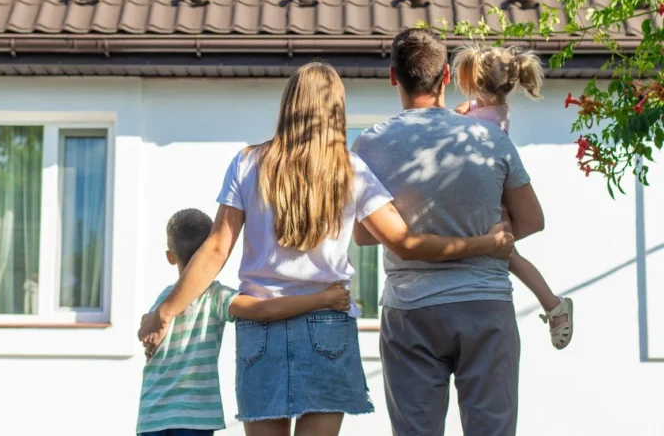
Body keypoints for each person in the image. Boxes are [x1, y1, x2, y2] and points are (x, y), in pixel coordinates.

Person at [139, 61, 514, 436]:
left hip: (261, 328)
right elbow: (405, 243)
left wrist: (166, 311)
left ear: (289, 104)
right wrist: (485, 243)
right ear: (336, 109)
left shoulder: (248, 162)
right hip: (327, 324)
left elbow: (216, 248)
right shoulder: (351, 170)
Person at [353, 29, 546, 436]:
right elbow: (531, 221)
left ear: (393, 77)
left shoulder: (370, 144)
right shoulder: (490, 137)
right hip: (485, 303)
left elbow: (366, 236)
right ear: (446, 77)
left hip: (411, 311)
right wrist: (492, 234)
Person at [137, 208, 352, 436]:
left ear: (170, 257)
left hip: (151, 417)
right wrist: (323, 298)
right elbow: (263, 309)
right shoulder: (214, 296)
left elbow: (145, 334)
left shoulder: (163, 303)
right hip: (192, 418)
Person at [452, 44, 573, 350]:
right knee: (509, 257)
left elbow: (462, 139)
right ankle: (553, 304)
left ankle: (554, 304)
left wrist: (453, 117)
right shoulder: (496, 112)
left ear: (476, 83)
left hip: (493, 202)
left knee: (505, 255)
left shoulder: (481, 123)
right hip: (494, 196)